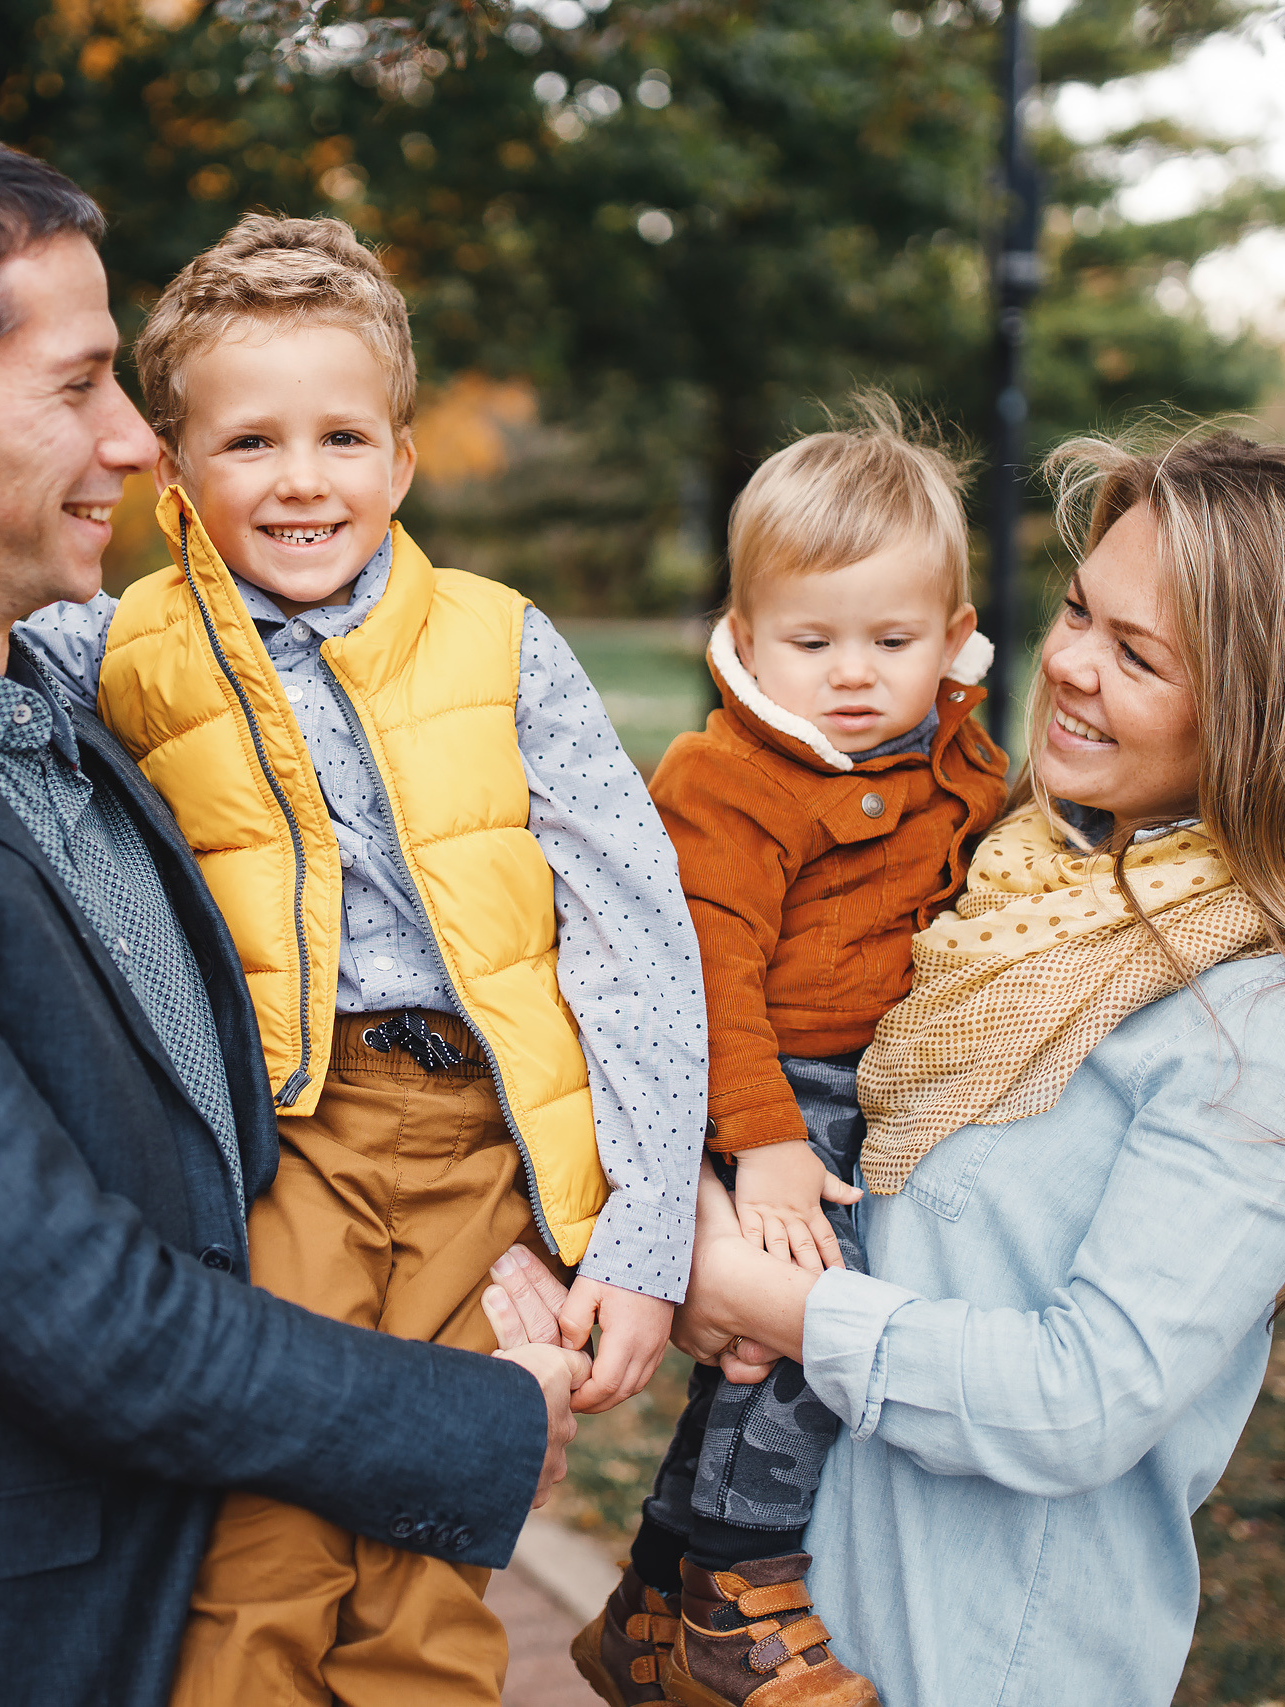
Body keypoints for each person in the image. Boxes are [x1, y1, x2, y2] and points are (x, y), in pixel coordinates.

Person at [0, 208, 707, 1707]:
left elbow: (633, 924)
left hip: (476, 1144)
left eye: (343, 439)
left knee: (432, 1595)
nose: (300, 478)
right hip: (285, 1150)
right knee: (267, 1559)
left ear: (402, 461)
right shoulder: (108, 651)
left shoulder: (499, 644)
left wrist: (637, 1227)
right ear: (176, 471)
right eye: (245, 442)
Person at [647, 427, 1285, 1707]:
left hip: (974, 1661)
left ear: (1270, 717)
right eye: (1077, 611)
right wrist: (709, 1216)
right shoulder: (1006, 878)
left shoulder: (1277, 1019)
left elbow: (1081, 1400)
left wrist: (757, 1296)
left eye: (1137, 655)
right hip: (773, 1631)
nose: (1066, 663)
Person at [569, 401, 1007, 1707]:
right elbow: (702, 979)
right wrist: (760, 1144)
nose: (853, 674)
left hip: (866, 1082)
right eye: (813, 642)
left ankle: (652, 1600)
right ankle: (738, 1589)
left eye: (892, 640)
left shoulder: (954, 753)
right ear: (748, 635)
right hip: (764, 1086)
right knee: (818, 1318)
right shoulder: (728, 780)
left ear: (953, 634)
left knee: (776, 1337)